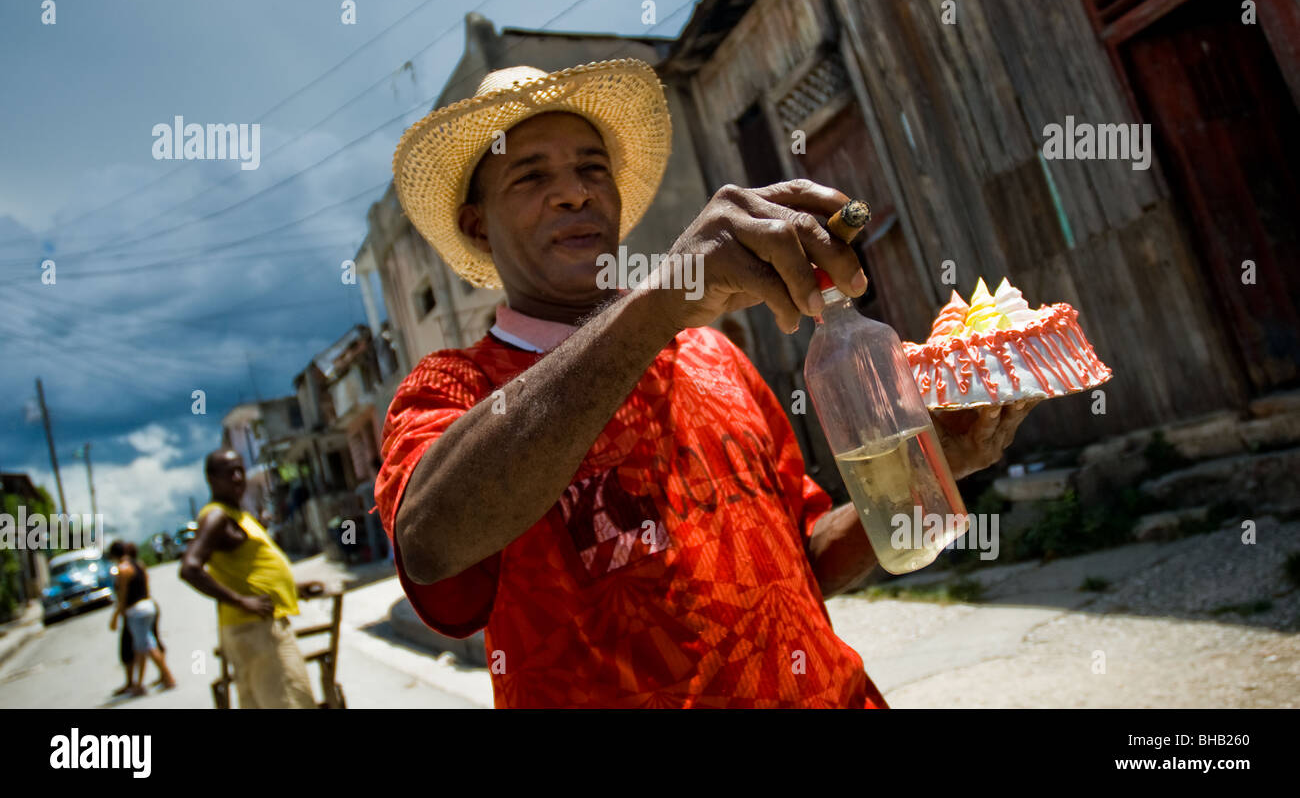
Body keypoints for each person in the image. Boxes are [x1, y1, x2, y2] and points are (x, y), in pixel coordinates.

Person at [380, 60, 1038, 708]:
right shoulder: (451, 388)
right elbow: (430, 542)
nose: (574, 192)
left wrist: (933, 466)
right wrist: (661, 300)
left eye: (591, 169)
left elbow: (803, 560)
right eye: (531, 176)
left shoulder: (709, 354)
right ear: (476, 226)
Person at [180, 449, 323, 709]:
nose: (237, 477)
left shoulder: (238, 515)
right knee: (291, 701)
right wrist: (242, 602)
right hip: (257, 629)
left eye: (240, 470)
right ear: (211, 479)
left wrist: (293, 588)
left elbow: (247, 568)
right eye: (228, 473)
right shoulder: (216, 516)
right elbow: (189, 568)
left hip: (251, 629)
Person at [107, 540, 176, 696]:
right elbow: (146, 586)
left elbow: (122, 595)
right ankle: (138, 685)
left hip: (136, 611)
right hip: (148, 606)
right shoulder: (139, 564)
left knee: (148, 645)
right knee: (141, 647)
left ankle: (168, 677)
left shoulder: (123, 569)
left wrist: (117, 614)